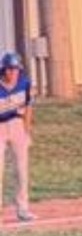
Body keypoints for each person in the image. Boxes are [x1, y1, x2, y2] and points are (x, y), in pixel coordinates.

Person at [0, 51, 35, 224]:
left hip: (17, 125)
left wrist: (27, 131)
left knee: (21, 169)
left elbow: (28, 106)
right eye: (8, 69)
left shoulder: (24, 82)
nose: (11, 73)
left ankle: (23, 209)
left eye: (14, 69)